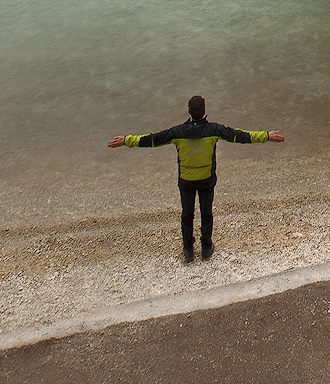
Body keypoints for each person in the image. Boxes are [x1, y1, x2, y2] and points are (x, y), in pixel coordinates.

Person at [109, 95, 283, 262]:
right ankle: (206, 248)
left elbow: (152, 139)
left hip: (186, 180)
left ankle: (188, 250)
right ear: (204, 110)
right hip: (207, 179)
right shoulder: (214, 129)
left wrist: (126, 140)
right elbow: (239, 136)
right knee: (206, 213)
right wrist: (266, 136)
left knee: (187, 214)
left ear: (188, 111)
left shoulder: (177, 132)